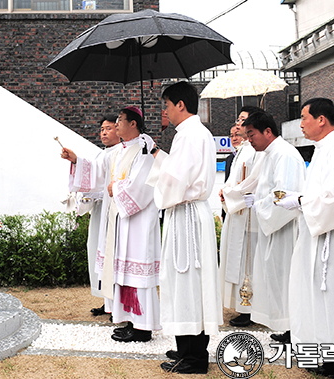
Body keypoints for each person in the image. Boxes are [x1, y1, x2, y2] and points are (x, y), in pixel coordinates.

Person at [276, 98, 334, 379]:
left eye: (305, 117)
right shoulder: (323, 150)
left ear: (321, 119)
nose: (301, 123)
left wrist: (300, 200)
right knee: (322, 297)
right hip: (321, 232)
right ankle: (331, 358)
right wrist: (299, 202)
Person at [61, 106, 161, 343]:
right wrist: (76, 160)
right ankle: (131, 321)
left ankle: (143, 326)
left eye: (120, 121)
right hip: (120, 221)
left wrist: (115, 189)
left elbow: (142, 186)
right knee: (124, 273)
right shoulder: (121, 151)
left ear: (133, 124)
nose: (116, 126)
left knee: (137, 274)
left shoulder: (144, 151)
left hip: (137, 222)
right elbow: (98, 171)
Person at [146, 81, 221, 375]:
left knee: (188, 282)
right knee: (184, 283)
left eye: (166, 105)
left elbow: (175, 181)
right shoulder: (191, 134)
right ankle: (186, 348)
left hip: (186, 214)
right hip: (186, 213)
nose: (164, 112)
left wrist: (159, 180)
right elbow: (178, 174)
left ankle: (194, 357)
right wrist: (156, 155)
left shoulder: (189, 135)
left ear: (180, 104)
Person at [239, 111, 305, 341]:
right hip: (273, 228)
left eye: (251, 134)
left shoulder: (285, 155)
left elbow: (284, 194)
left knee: (287, 279)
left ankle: (294, 329)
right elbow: (270, 190)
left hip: (285, 229)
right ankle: (287, 327)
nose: (249, 139)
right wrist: (257, 199)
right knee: (277, 279)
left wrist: (259, 205)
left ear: (268, 131)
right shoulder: (269, 154)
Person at [67, 115, 121, 316]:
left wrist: (77, 161)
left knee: (110, 255)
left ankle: (115, 304)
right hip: (100, 211)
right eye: (102, 129)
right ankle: (106, 302)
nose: (104, 133)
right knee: (96, 251)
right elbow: (94, 175)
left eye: (108, 128)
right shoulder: (102, 154)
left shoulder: (120, 153)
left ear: (118, 130)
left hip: (112, 212)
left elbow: (99, 179)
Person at [218, 106, 263, 328]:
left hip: (249, 216)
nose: (239, 124)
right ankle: (241, 304)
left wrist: (228, 193)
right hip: (237, 214)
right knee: (236, 258)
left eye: (244, 120)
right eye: (238, 119)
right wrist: (225, 191)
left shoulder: (255, 150)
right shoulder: (242, 150)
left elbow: (253, 182)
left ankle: (249, 307)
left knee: (248, 261)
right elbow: (234, 181)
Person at [221, 125, 241, 222]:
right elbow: (226, 184)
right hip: (229, 205)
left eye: (237, 135)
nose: (234, 139)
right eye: (231, 136)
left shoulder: (250, 156)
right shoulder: (229, 159)